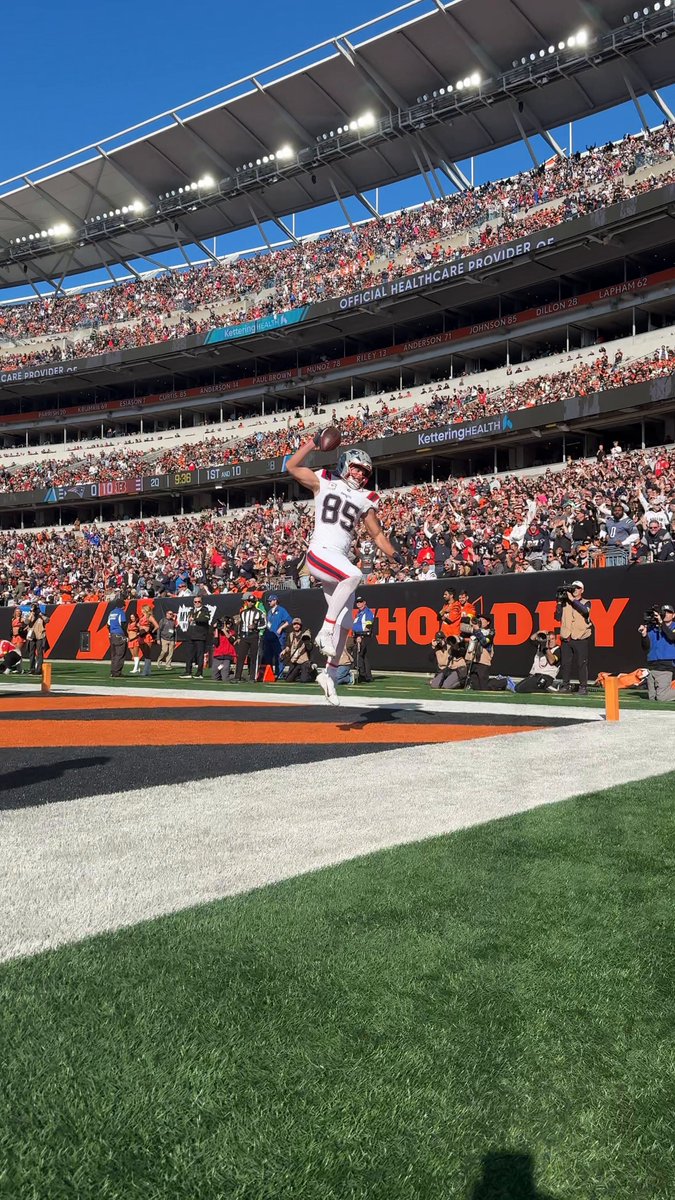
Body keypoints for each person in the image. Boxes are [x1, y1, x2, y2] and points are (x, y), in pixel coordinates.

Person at [285, 433, 400, 705]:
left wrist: (395, 554)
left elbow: (377, 534)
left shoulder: (365, 498)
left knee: (347, 622)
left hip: (337, 560)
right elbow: (291, 466)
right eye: (357, 468)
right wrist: (313, 443)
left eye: (365, 472)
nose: (360, 474)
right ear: (346, 464)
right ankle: (325, 630)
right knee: (354, 574)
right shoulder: (324, 481)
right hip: (320, 553)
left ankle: (330, 675)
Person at [556, 580, 593, 695]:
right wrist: (559, 602)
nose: (575, 590)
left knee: (581, 663)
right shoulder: (565, 603)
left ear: (582, 590)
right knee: (566, 664)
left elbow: (585, 612)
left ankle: (583, 687)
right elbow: (557, 616)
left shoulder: (586, 602)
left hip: (580, 637)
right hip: (567, 637)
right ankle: (565, 685)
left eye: (577, 588)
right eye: (573, 588)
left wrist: (572, 599)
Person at [638, 604, 675, 701]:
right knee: (652, 698)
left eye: (669, 612)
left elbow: (672, 637)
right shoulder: (653, 628)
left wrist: (661, 622)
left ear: (673, 615)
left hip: (665, 666)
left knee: (661, 697)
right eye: (664, 612)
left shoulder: (673, 626)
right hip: (652, 665)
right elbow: (645, 647)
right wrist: (644, 635)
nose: (666, 614)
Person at [466, 615, 508, 691]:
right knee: (476, 687)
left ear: (488, 622)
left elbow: (484, 642)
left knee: (484, 687)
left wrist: (477, 630)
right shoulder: (473, 629)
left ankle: (503, 681)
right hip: (472, 659)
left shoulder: (491, 632)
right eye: (479, 619)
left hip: (483, 660)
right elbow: (461, 627)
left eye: (482, 619)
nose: (480, 621)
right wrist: (469, 621)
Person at [234, 594, 266, 682]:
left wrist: (255, 627)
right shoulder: (243, 612)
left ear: (254, 603)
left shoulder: (260, 612)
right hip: (244, 636)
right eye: (248, 601)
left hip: (254, 636)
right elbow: (240, 625)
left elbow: (264, 624)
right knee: (240, 656)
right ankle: (237, 676)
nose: (250, 603)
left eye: (252, 602)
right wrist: (239, 636)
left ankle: (252, 677)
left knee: (254, 657)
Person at [262, 593, 292, 678]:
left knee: (279, 655)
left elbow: (289, 621)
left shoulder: (281, 610)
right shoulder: (269, 612)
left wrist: (281, 628)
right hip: (269, 636)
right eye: (268, 601)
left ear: (275, 601)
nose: (269, 603)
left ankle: (279, 674)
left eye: (270, 601)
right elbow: (268, 624)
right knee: (268, 655)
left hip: (278, 637)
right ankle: (270, 673)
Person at [180, 596, 210, 679]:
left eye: (198, 601)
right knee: (189, 655)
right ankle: (188, 671)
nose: (197, 603)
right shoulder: (191, 611)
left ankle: (199, 673)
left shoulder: (205, 610)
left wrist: (195, 619)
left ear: (201, 602)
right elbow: (189, 621)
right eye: (195, 602)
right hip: (190, 635)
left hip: (200, 636)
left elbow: (205, 619)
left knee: (199, 655)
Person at [281, 618, 314, 683]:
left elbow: (310, 648)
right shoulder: (291, 634)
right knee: (288, 679)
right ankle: (298, 674)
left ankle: (312, 672)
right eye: (295, 624)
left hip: (303, 661)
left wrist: (306, 641)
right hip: (294, 661)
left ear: (300, 625)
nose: (296, 626)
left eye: (298, 624)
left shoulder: (305, 634)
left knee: (304, 680)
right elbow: (288, 646)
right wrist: (284, 651)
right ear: (293, 625)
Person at [351, 595, 375, 683]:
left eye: (360, 602)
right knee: (364, 656)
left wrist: (361, 636)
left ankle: (362, 674)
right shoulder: (359, 613)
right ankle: (367, 676)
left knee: (358, 654)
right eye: (357, 602)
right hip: (358, 636)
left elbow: (368, 626)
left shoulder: (368, 612)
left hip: (363, 637)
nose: (358, 604)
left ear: (364, 603)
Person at [108, 595, 127, 678]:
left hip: (112, 635)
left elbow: (108, 624)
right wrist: (126, 635)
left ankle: (113, 671)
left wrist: (111, 632)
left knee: (114, 654)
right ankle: (117, 672)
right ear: (122, 605)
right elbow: (123, 624)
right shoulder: (121, 612)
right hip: (119, 635)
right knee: (120, 654)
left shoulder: (112, 612)